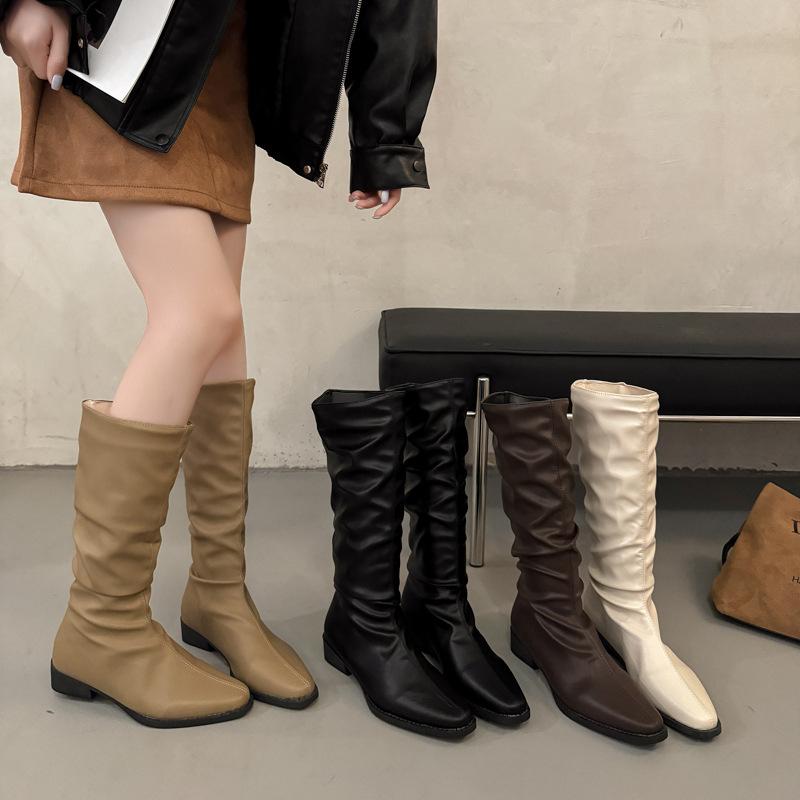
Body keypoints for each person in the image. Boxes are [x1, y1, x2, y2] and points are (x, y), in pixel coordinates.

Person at [0, 0, 437, 727]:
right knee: (199, 315)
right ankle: (102, 625)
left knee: (220, 338)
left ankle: (218, 592)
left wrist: (385, 133)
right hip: (125, 39)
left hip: (229, 63)